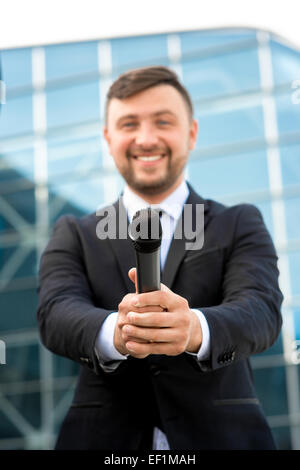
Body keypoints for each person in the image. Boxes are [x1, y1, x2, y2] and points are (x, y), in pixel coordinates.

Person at [37, 66, 283, 450]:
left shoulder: (238, 223)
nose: (146, 138)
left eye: (163, 121)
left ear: (191, 133)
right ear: (109, 138)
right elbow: (55, 313)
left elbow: (261, 309)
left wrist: (194, 329)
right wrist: (116, 333)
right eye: (129, 123)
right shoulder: (75, 232)